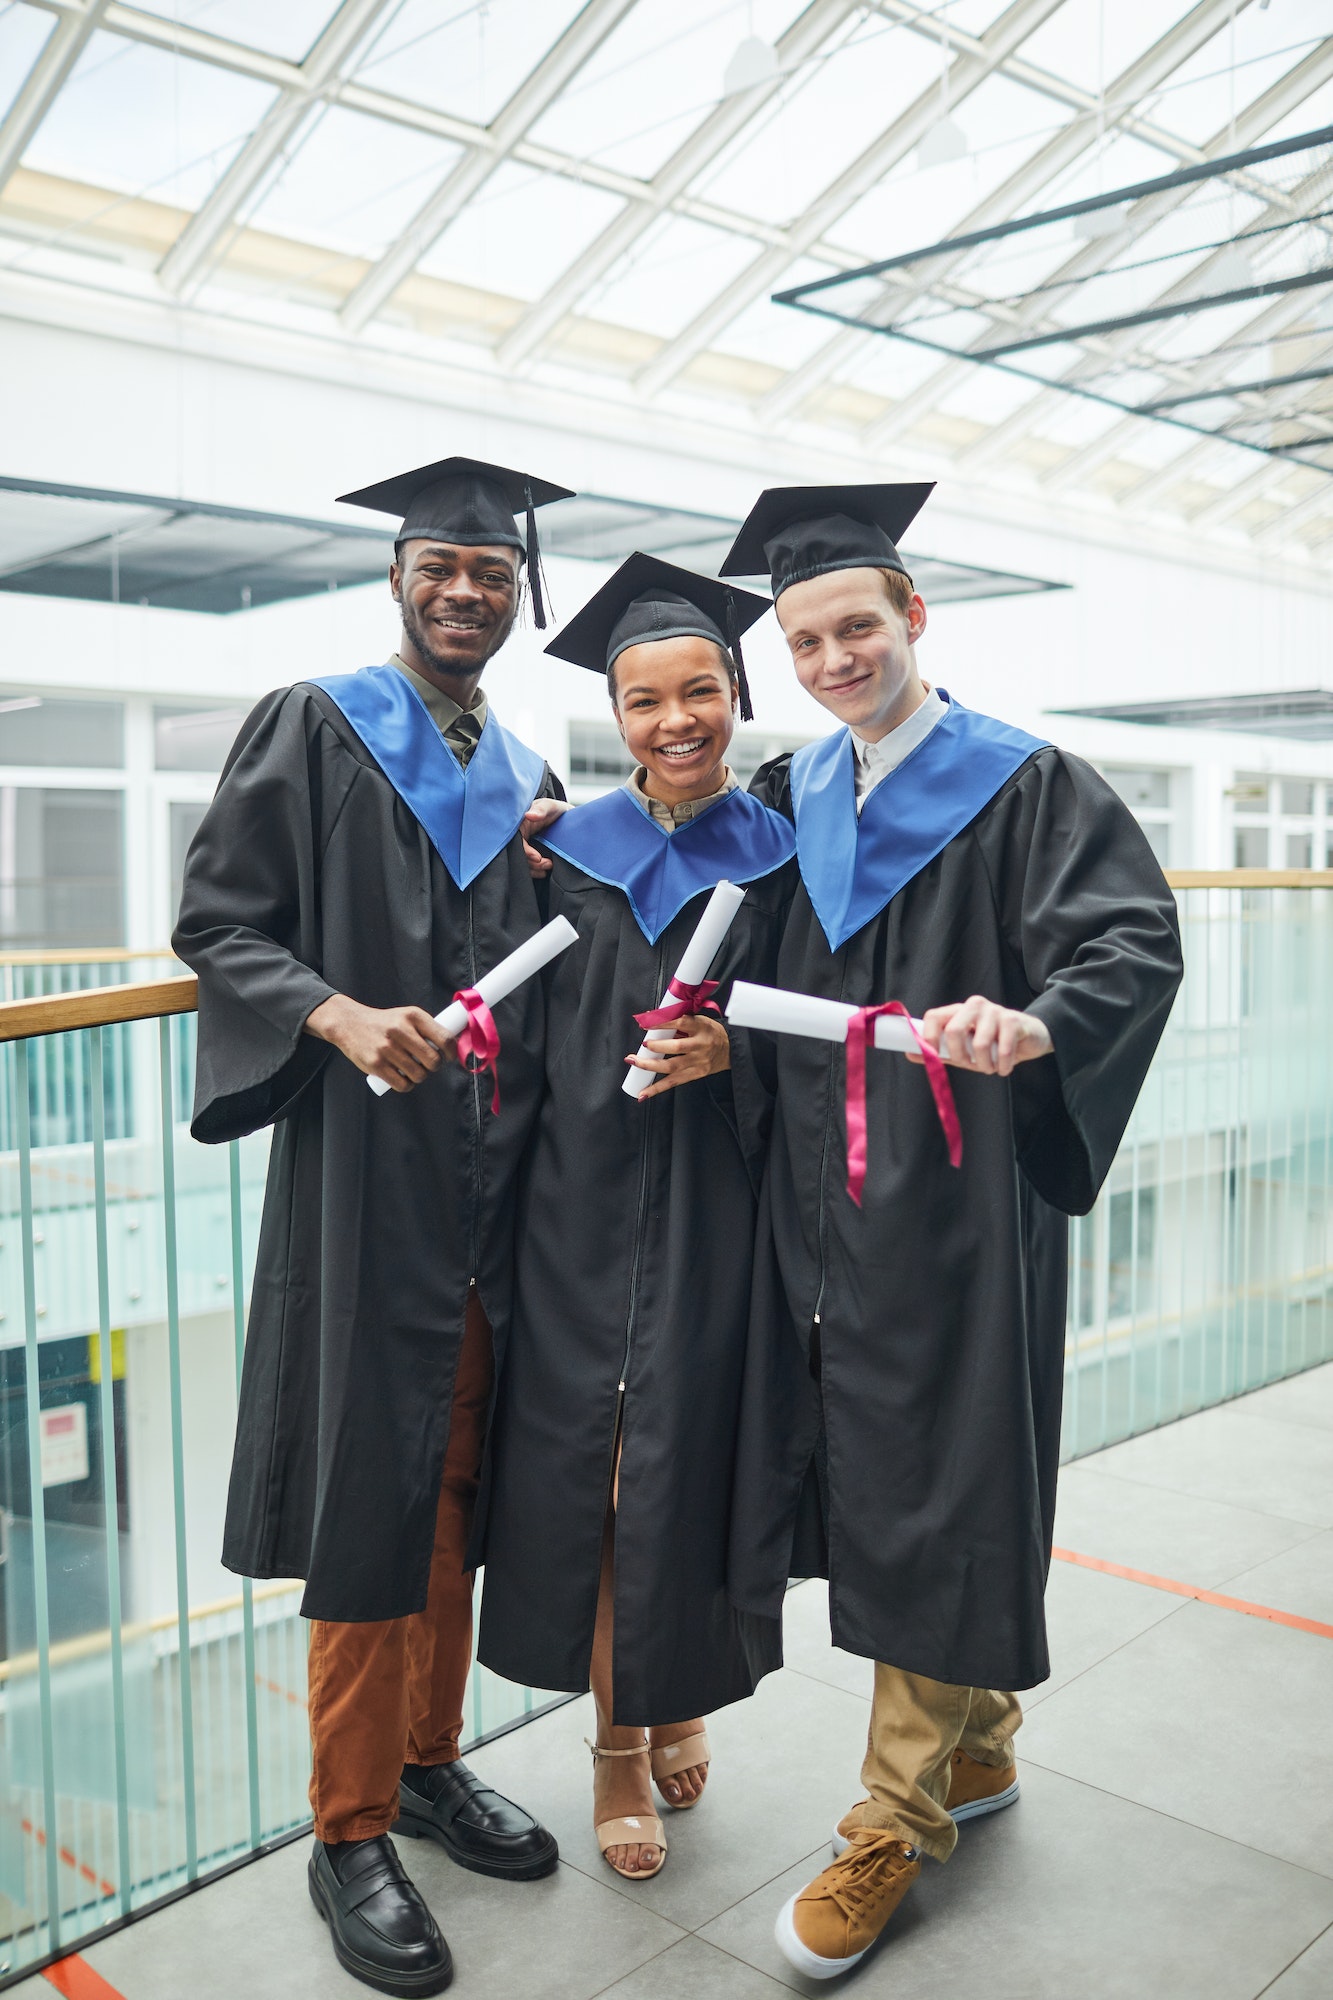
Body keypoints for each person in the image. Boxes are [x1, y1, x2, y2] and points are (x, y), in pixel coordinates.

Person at [717, 483, 1184, 1979]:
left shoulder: (1022, 782)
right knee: (879, 1463)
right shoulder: (797, 795)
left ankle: (892, 1818)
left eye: (855, 626)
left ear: (913, 618)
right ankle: (973, 1745)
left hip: (954, 1195)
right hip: (819, 1195)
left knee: (934, 1471)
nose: (833, 657)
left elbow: (1129, 940)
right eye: (803, 640)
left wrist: (1032, 1021)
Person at [173, 456, 574, 2000]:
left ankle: (426, 1763)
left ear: (518, 591)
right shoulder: (319, 723)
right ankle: (345, 1831)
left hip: (495, 1182)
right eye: (441, 564)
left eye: (491, 569)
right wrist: (334, 1015)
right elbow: (217, 920)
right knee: (368, 1491)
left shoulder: (522, 761)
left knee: (459, 1478)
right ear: (397, 574)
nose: (466, 589)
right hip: (367, 1179)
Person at [475, 553, 797, 1881]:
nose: (675, 721)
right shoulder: (566, 853)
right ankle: (617, 1744)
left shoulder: (785, 861)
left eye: (699, 690)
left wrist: (741, 1056)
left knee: (686, 1466)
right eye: (646, 699)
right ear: (615, 716)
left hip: (722, 1209)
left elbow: (821, 1032)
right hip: (576, 1209)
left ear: (733, 691)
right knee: (602, 1479)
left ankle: (666, 1696)